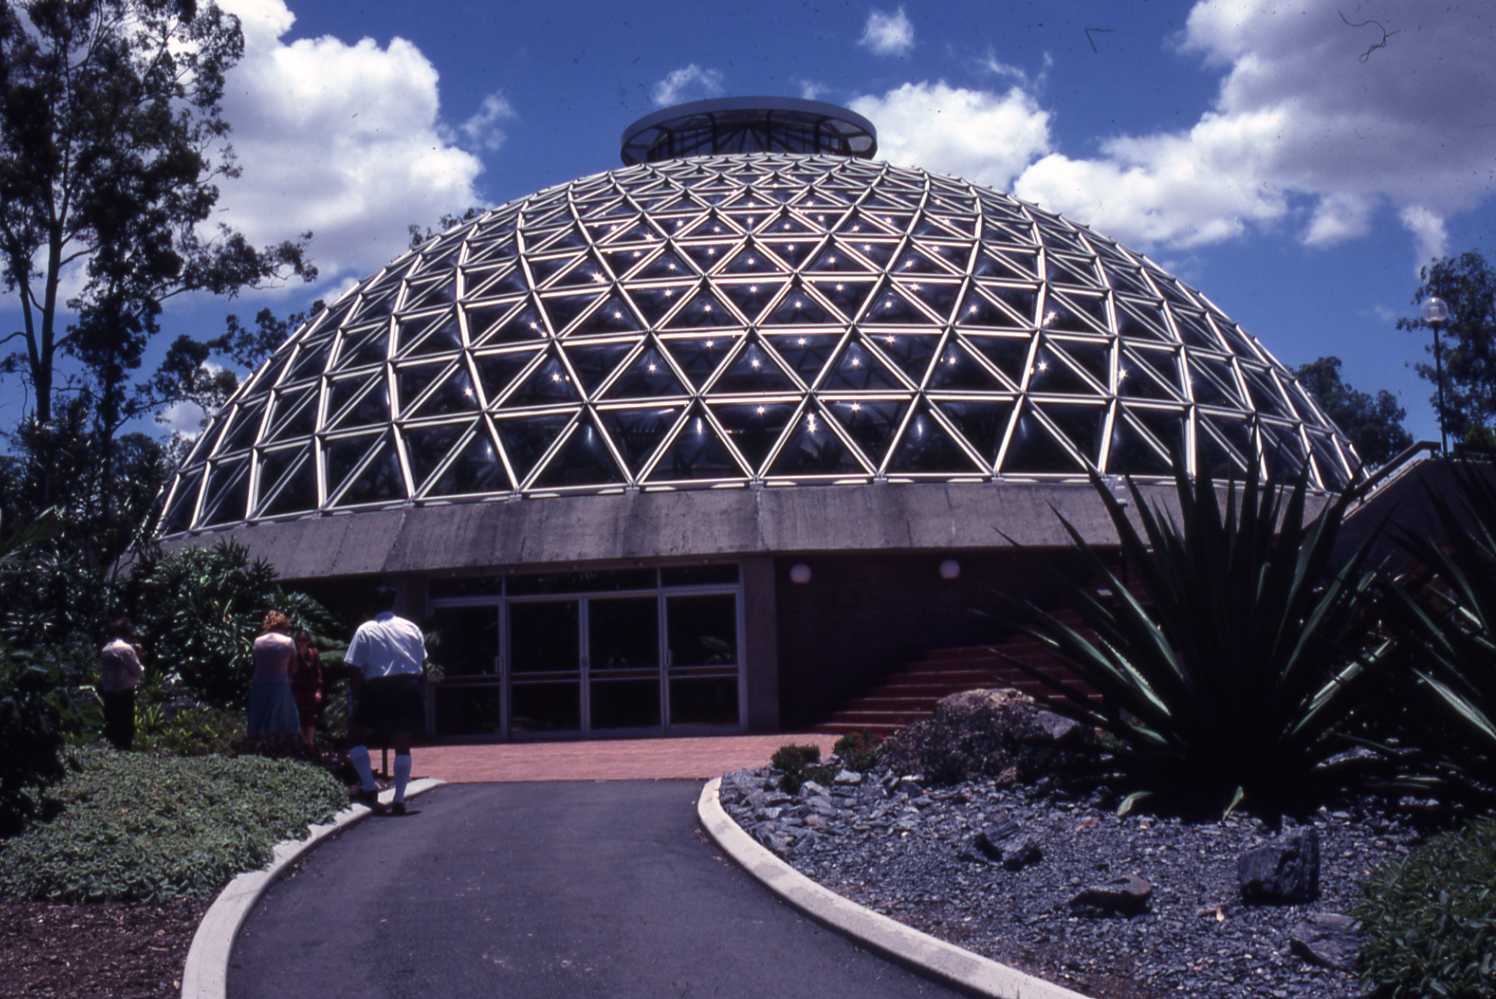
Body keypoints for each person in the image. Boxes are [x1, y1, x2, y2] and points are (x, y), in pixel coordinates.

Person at [344, 586, 426, 815]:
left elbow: (354, 667)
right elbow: (422, 664)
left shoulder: (365, 630)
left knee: (355, 736)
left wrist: (358, 696)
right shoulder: (411, 627)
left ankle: (369, 787)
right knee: (402, 743)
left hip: (377, 686)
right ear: (393, 604)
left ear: (373, 605)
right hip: (408, 686)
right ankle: (399, 800)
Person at [247, 611, 301, 738]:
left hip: (259, 684)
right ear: (283, 625)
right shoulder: (288, 642)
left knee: (258, 720)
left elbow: (255, 663)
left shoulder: (257, 641)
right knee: (282, 722)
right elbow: (294, 667)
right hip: (280, 684)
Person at [99, 618, 144, 750]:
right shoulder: (126, 649)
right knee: (125, 725)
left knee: (112, 722)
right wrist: (139, 656)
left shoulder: (105, 649)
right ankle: (125, 750)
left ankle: (111, 750)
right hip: (125, 692)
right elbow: (137, 671)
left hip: (109, 692)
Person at [291, 630, 323, 749]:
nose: (302, 643)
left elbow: (318, 673)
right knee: (297, 717)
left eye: (304, 640)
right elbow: (292, 673)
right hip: (297, 691)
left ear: (308, 641)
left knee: (310, 717)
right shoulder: (293, 655)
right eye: (299, 640)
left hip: (310, 690)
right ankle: (301, 744)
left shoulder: (313, 654)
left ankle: (310, 744)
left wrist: (319, 690)